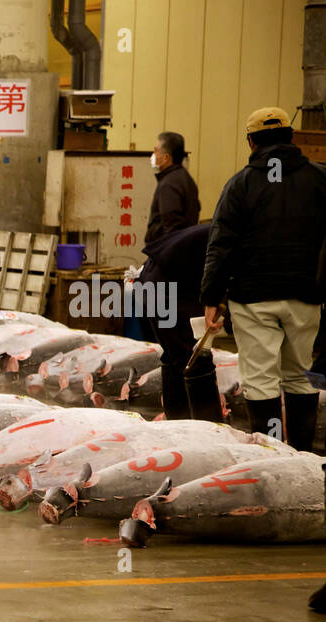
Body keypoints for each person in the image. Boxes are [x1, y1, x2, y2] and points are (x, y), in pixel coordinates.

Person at [200, 107, 326, 451]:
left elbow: (221, 243)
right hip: (305, 295)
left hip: (253, 297)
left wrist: (212, 297)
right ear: (291, 137)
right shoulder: (319, 178)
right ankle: (299, 452)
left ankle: (273, 453)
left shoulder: (241, 183)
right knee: (301, 375)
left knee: (260, 379)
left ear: (252, 142)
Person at [138, 222, 224, 422]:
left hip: (155, 279)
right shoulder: (237, 237)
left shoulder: (226, 228)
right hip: (162, 285)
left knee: (176, 355)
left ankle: (179, 424)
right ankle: (211, 430)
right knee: (195, 356)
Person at [143, 131, 200, 246]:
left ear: (166, 158)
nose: (153, 155)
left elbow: (172, 231)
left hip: (168, 254)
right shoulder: (185, 178)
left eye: (156, 151)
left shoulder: (169, 184)